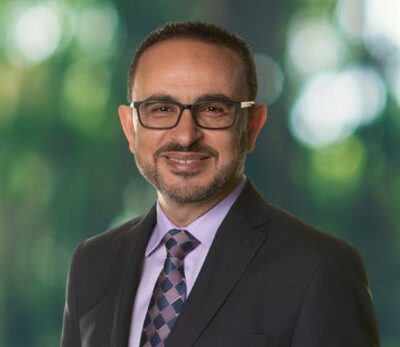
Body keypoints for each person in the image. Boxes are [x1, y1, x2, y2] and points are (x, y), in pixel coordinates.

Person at [61, 21, 380, 347]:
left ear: (252, 126)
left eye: (213, 109)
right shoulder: (91, 264)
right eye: (161, 109)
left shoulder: (321, 269)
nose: (186, 135)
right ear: (130, 128)